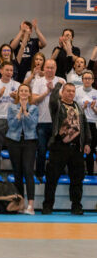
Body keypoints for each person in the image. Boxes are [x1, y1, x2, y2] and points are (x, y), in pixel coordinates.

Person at [42, 81, 91, 215]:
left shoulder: (79, 107)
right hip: (59, 147)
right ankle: (47, 206)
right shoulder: (57, 105)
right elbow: (52, 99)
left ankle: (76, 206)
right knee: (52, 178)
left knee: (77, 179)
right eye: (68, 90)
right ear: (62, 92)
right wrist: (57, 85)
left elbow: (85, 126)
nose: (70, 93)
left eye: (73, 91)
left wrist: (87, 143)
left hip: (76, 149)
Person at [6, 84, 39, 215]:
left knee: (28, 171)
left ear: (30, 93)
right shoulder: (11, 107)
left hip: (29, 142)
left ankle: (31, 205)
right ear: (18, 93)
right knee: (17, 173)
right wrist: (20, 111)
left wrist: (25, 111)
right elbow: (12, 125)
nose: (24, 93)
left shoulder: (34, 108)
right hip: (14, 141)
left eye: (26, 91)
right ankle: (20, 203)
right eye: (22, 91)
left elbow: (32, 125)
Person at [31, 59, 66, 183]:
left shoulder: (61, 81)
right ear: (44, 68)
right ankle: (40, 173)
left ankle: (56, 174)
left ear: (55, 68)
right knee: (41, 150)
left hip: (57, 122)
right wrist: (47, 91)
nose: (50, 70)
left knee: (57, 151)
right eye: (48, 67)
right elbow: (34, 100)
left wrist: (55, 90)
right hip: (41, 122)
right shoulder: (38, 81)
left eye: (52, 67)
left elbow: (66, 98)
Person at [0, 62, 21, 174]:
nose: (9, 72)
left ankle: (16, 174)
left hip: (13, 120)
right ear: (1, 70)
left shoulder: (17, 85)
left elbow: (22, 104)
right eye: (7, 70)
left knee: (14, 151)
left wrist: (16, 98)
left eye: (11, 70)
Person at [74, 70, 97, 175]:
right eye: (85, 78)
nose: (87, 80)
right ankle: (78, 172)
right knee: (78, 149)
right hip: (79, 123)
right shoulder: (76, 91)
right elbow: (72, 109)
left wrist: (93, 108)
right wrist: (82, 108)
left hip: (91, 123)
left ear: (92, 80)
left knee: (90, 150)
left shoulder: (96, 93)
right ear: (82, 80)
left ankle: (90, 172)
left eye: (89, 78)